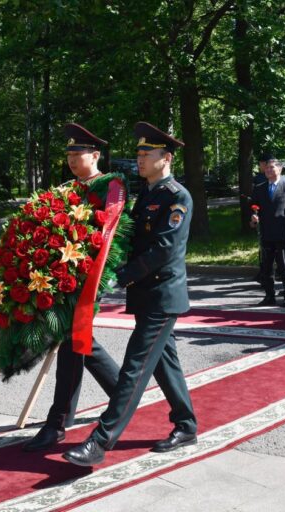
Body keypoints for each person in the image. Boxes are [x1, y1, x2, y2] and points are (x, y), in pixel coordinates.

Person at [64, 122, 197, 466]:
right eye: (138, 153)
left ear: (166, 158)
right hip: (147, 295)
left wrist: (119, 277)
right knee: (165, 363)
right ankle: (186, 425)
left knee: (134, 368)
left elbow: (163, 250)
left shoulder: (177, 197)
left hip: (162, 296)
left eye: (147, 154)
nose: (139, 158)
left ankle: (99, 441)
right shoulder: (146, 196)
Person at [22, 123, 121, 452]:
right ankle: (123, 395)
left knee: (74, 340)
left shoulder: (111, 187)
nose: (72, 159)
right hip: (64, 279)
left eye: (78, 153)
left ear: (95, 155)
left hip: (90, 278)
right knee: (77, 341)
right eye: (69, 154)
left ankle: (57, 422)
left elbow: (112, 235)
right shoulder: (66, 189)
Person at [250, 156, 285, 307]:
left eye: (272, 167)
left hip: (283, 232)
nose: (268, 170)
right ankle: (269, 295)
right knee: (267, 266)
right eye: (267, 168)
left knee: (284, 266)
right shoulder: (259, 188)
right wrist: (254, 217)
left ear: (280, 169)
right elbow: (254, 206)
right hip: (266, 232)